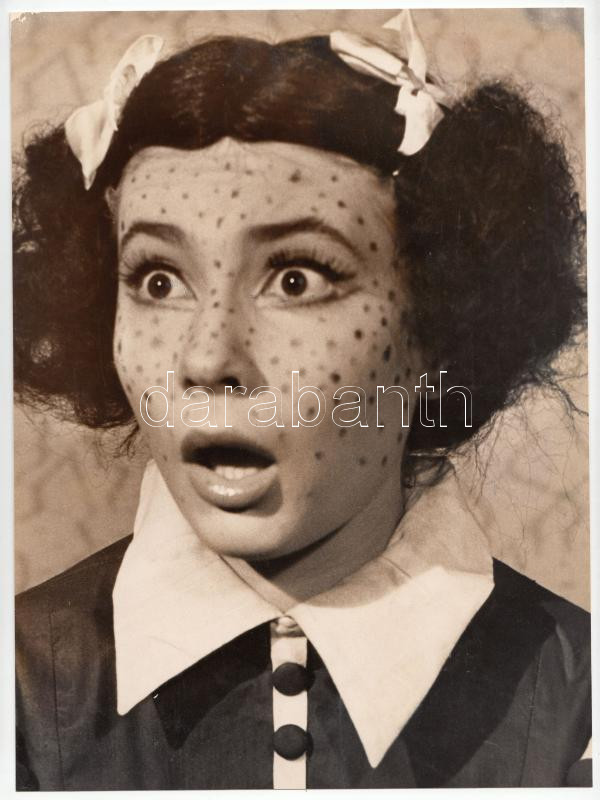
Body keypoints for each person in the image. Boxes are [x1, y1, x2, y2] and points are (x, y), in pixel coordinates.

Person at [13, 11, 590, 790]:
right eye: (158, 279)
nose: (208, 359)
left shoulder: (576, 698)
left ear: (437, 325)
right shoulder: (19, 687)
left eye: (296, 279)